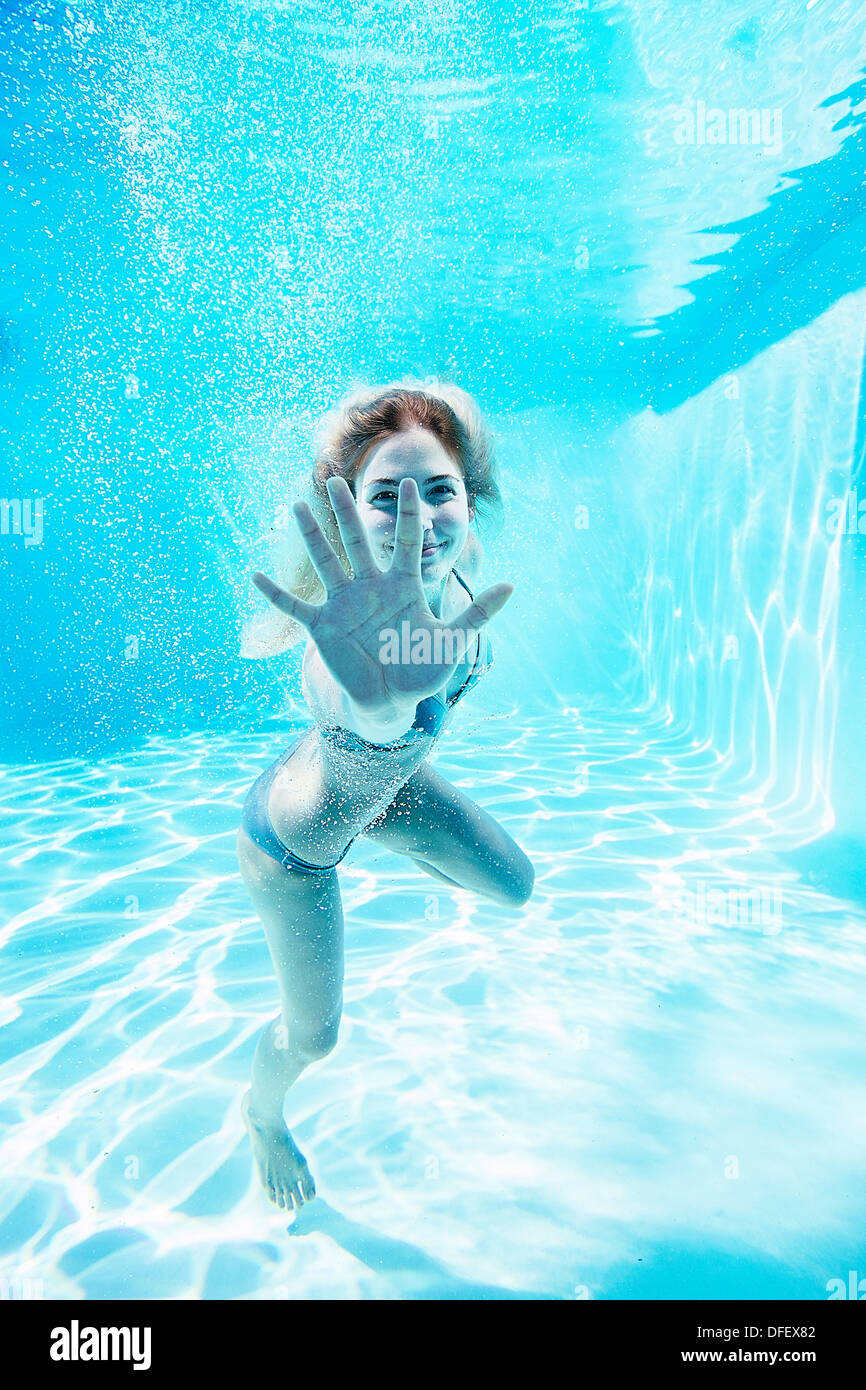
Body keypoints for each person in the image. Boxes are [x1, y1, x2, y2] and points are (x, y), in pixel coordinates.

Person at [236, 381, 534, 1210]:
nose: (418, 520)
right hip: (294, 846)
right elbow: (358, 705)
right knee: (315, 1038)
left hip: (388, 795)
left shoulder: (460, 584)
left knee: (516, 887)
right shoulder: (346, 650)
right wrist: (377, 703)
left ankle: (384, 825)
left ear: (472, 503)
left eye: (440, 491)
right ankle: (262, 1117)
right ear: (347, 518)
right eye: (385, 500)